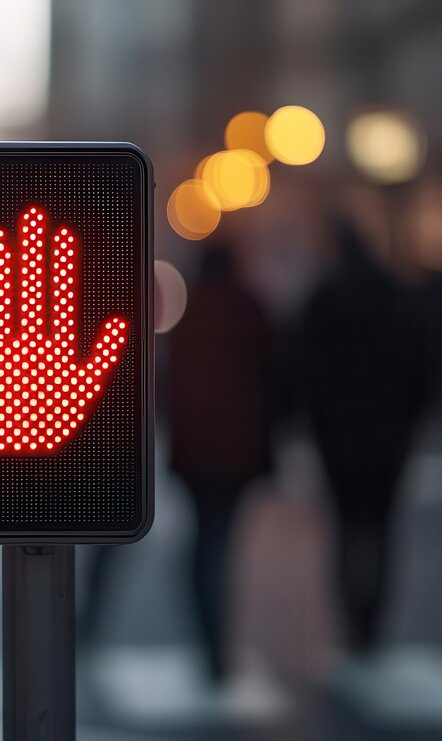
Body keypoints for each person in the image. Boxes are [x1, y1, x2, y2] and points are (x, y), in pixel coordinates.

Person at [299, 221, 429, 656]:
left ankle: (353, 613)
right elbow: (423, 366)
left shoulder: (326, 299)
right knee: (380, 528)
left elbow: (304, 369)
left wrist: (314, 421)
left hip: (339, 438)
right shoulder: (396, 296)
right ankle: (370, 617)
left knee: (347, 525)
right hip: (389, 437)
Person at [165, 244, 275, 683]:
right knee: (220, 544)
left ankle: (210, 639)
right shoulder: (252, 310)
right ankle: (216, 643)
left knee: (205, 546)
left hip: (196, 453)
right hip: (240, 453)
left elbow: (171, 384)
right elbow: (273, 381)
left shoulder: (189, 314)